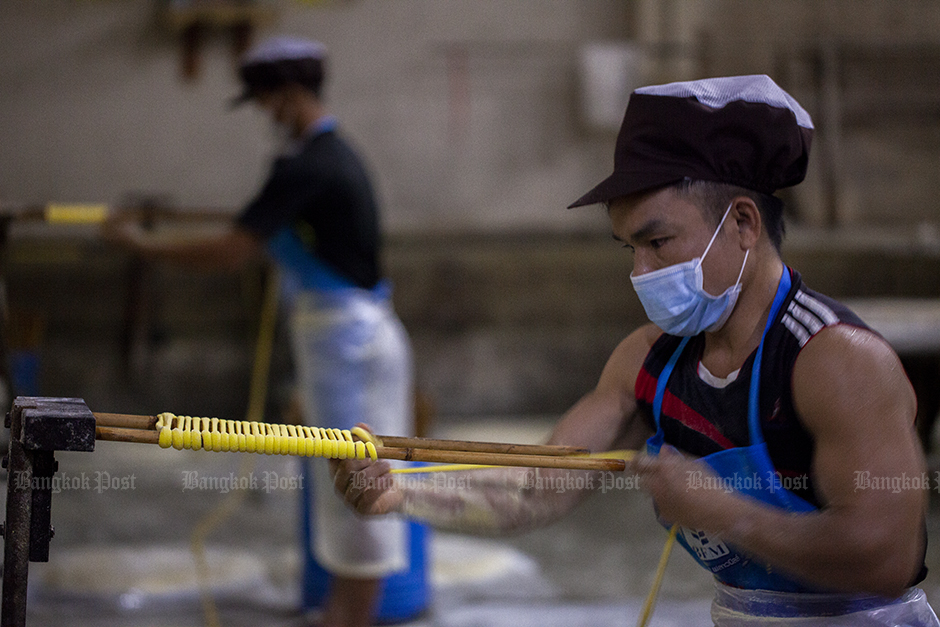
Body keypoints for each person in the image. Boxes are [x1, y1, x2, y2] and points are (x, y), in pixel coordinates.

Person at [332, 74, 940, 625]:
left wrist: (723, 511)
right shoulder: (651, 362)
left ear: (744, 224)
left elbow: (885, 554)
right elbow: (540, 485)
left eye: (659, 242)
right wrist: (402, 490)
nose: (642, 271)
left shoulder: (837, 361)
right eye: (630, 249)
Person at [105, 36, 426, 627]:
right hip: (346, 339)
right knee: (346, 491)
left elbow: (233, 249)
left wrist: (141, 246)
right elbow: (260, 220)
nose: (262, 114)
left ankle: (348, 619)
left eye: (264, 101)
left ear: (288, 94)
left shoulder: (311, 165)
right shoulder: (326, 158)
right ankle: (340, 613)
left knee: (358, 490)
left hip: (349, 345)